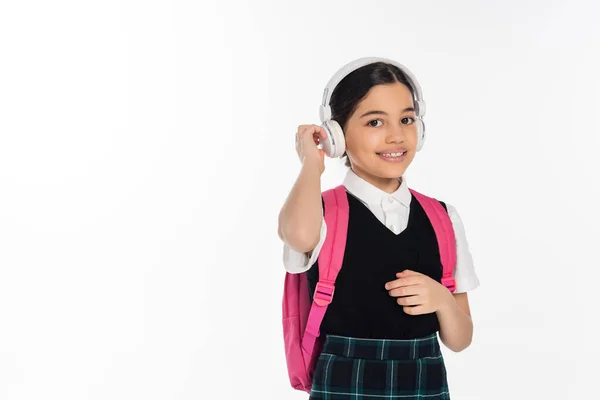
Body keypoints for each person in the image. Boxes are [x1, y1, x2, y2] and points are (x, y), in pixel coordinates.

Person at [278, 57, 480, 399]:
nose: (396, 136)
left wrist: (443, 301)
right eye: (375, 122)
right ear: (336, 136)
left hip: (424, 377)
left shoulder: (442, 217)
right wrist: (312, 164)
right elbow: (298, 236)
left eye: (406, 119)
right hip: (345, 376)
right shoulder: (322, 210)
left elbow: (460, 340)